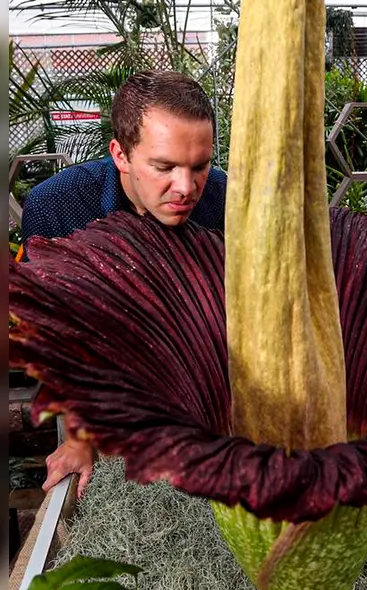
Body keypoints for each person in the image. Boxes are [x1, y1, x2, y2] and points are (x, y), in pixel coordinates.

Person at [20, 70, 227, 498]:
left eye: (199, 166)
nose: (186, 188)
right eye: (164, 167)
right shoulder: (56, 207)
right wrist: (79, 438)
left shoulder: (225, 200)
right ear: (121, 154)